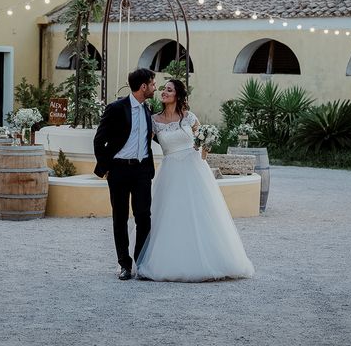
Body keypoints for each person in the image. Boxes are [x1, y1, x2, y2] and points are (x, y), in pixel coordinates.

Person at [136, 79, 254, 282]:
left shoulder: (189, 118)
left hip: (193, 169)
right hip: (171, 170)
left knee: (199, 213)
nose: (164, 92)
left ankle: (209, 260)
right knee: (170, 214)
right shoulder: (154, 119)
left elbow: (203, 146)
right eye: (163, 89)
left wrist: (205, 146)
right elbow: (142, 142)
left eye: (169, 90)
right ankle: (169, 260)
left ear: (178, 95)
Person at [93, 68, 157, 280]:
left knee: (143, 217)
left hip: (142, 171)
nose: (155, 87)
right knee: (120, 218)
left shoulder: (148, 110)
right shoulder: (116, 108)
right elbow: (98, 140)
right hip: (119, 170)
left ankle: (140, 262)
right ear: (143, 86)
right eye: (153, 84)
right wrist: (107, 167)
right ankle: (125, 265)